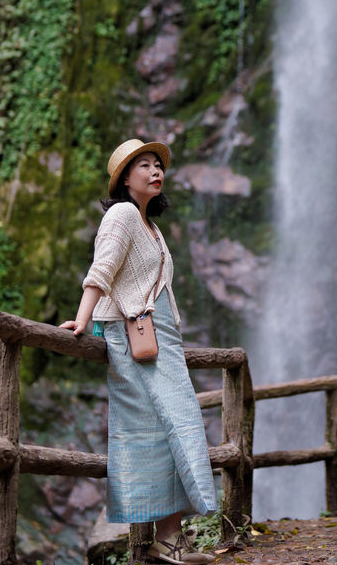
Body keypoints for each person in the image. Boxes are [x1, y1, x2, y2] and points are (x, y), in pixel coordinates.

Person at [60, 138, 217, 565]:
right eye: (143, 165)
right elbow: (103, 269)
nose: (154, 170)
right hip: (135, 335)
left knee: (165, 430)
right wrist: (82, 318)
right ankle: (164, 541)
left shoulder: (152, 227)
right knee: (165, 426)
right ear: (124, 178)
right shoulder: (123, 215)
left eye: (157, 165)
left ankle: (168, 541)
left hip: (159, 336)